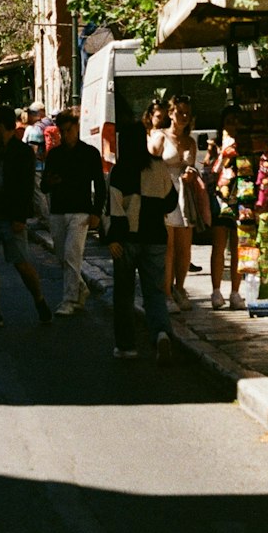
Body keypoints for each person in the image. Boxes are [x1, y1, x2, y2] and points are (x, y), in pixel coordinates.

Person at [0, 104, 53, 328]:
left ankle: (39, 299)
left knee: (21, 263)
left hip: (11, 214)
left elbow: (26, 187)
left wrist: (20, 217)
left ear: (1, 125)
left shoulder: (21, 151)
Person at [108, 120, 178, 363]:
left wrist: (112, 239)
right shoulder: (158, 168)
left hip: (127, 241)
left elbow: (115, 210)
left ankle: (127, 346)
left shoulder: (120, 170)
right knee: (155, 292)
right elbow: (170, 202)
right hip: (156, 237)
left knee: (124, 294)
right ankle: (161, 333)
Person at [41, 110, 105, 316]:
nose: (66, 134)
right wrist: (50, 182)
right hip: (58, 210)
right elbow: (43, 186)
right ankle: (80, 287)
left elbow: (100, 185)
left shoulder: (90, 153)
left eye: (69, 130)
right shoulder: (55, 155)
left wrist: (97, 211)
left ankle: (68, 300)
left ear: (77, 128)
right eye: (62, 131)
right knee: (62, 256)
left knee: (71, 254)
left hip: (80, 210)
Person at [162, 94, 198, 309]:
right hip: (166, 192)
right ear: (171, 113)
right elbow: (152, 165)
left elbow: (192, 167)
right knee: (168, 246)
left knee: (185, 247)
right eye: (179, 112)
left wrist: (191, 173)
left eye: (187, 113)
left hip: (185, 194)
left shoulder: (190, 141)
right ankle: (166, 292)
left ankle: (180, 287)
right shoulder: (160, 137)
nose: (183, 116)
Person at [211, 106, 248, 310]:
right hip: (221, 198)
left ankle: (235, 292)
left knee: (238, 246)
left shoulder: (247, 145)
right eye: (229, 121)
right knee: (218, 245)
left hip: (242, 196)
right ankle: (216, 291)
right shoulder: (218, 145)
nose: (233, 125)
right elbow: (215, 168)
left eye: (236, 121)